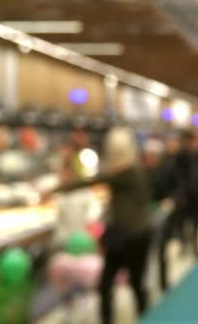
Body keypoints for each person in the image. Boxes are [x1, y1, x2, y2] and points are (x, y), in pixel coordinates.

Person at [48, 127, 151, 324]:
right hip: (131, 235)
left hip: (130, 237)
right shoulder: (135, 171)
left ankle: (139, 316)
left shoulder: (127, 173)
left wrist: (57, 188)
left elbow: (93, 180)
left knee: (126, 283)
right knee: (114, 284)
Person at [156, 130, 198, 291]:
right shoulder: (176, 159)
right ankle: (185, 245)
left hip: (196, 199)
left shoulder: (196, 157)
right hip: (183, 201)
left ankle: (195, 249)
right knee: (180, 228)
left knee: (196, 226)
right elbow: (174, 181)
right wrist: (179, 196)